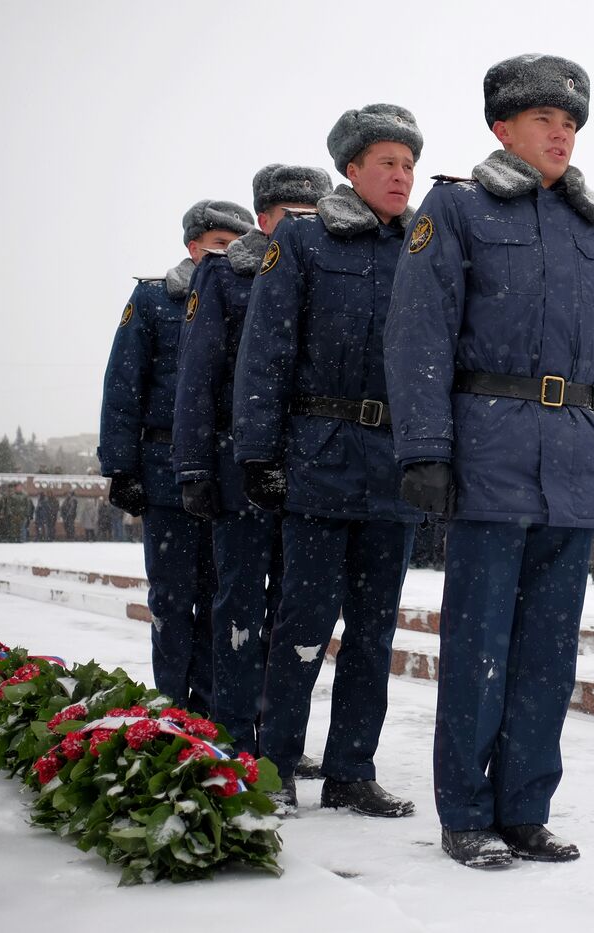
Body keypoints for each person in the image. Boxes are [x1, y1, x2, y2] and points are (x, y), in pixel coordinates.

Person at [385, 54, 594, 867]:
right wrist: (426, 448)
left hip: (571, 462)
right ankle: (466, 811)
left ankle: (525, 807)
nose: (561, 133)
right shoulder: (456, 209)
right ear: (503, 128)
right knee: (480, 646)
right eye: (544, 120)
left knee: (547, 654)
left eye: (570, 123)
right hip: (490, 456)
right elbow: (418, 333)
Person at [233, 105, 424, 815]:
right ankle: (275, 764)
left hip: (393, 466)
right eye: (387, 163)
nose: (401, 176)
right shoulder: (306, 244)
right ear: (351, 170)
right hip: (319, 457)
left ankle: (351, 768)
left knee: (375, 632)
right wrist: (259, 451)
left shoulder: (423, 246)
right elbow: (266, 352)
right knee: (304, 625)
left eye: (408, 165)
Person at [173, 164, 332, 756]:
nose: (300, 228)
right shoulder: (225, 275)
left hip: (309, 465)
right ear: (263, 218)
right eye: (290, 216)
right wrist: (193, 467)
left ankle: (279, 741)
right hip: (237, 463)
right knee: (238, 605)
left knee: (296, 612)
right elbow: (197, 378)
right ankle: (233, 735)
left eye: (313, 216)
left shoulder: (330, 270)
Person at [99, 200, 249, 711]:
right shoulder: (154, 299)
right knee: (171, 598)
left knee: (221, 600)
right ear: (192, 246)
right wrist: (120, 466)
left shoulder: (244, 296)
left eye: (237, 245)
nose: (229, 255)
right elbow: (123, 385)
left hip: (225, 470)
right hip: (164, 471)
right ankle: (171, 703)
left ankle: (209, 707)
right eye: (220, 246)